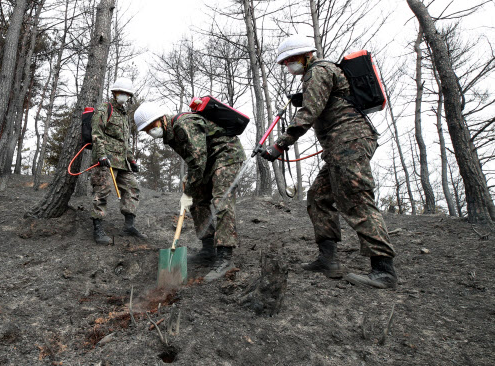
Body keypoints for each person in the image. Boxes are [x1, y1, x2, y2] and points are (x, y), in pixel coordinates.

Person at [260, 34, 397, 289]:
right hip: (339, 147)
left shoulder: (319, 70)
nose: (289, 67)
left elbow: (308, 113)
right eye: (286, 62)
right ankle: (328, 260)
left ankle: (384, 270)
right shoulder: (318, 74)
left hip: (349, 143)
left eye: (291, 60)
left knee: (356, 199)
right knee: (319, 198)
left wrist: (280, 144)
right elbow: (321, 103)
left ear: (306, 55)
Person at [133, 102, 245, 282]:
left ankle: (225, 257)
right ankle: (208, 249)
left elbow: (198, 160)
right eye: (146, 130)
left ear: (161, 119)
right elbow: (194, 159)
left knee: (221, 201)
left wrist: (189, 189)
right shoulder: (171, 135)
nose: (150, 132)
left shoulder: (184, 124)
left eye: (151, 126)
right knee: (197, 201)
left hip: (226, 154)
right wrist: (190, 186)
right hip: (209, 159)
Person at [90, 77, 147, 244]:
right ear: (114, 93)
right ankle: (98, 229)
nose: (125, 96)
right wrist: (101, 155)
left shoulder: (124, 115)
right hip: (106, 160)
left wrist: (132, 160)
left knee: (132, 188)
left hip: (122, 162)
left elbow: (125, 141)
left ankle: (129, 225)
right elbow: (97, 133)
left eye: (127, 94)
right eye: (122, 93)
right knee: (102, 191)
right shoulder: (104, 109)